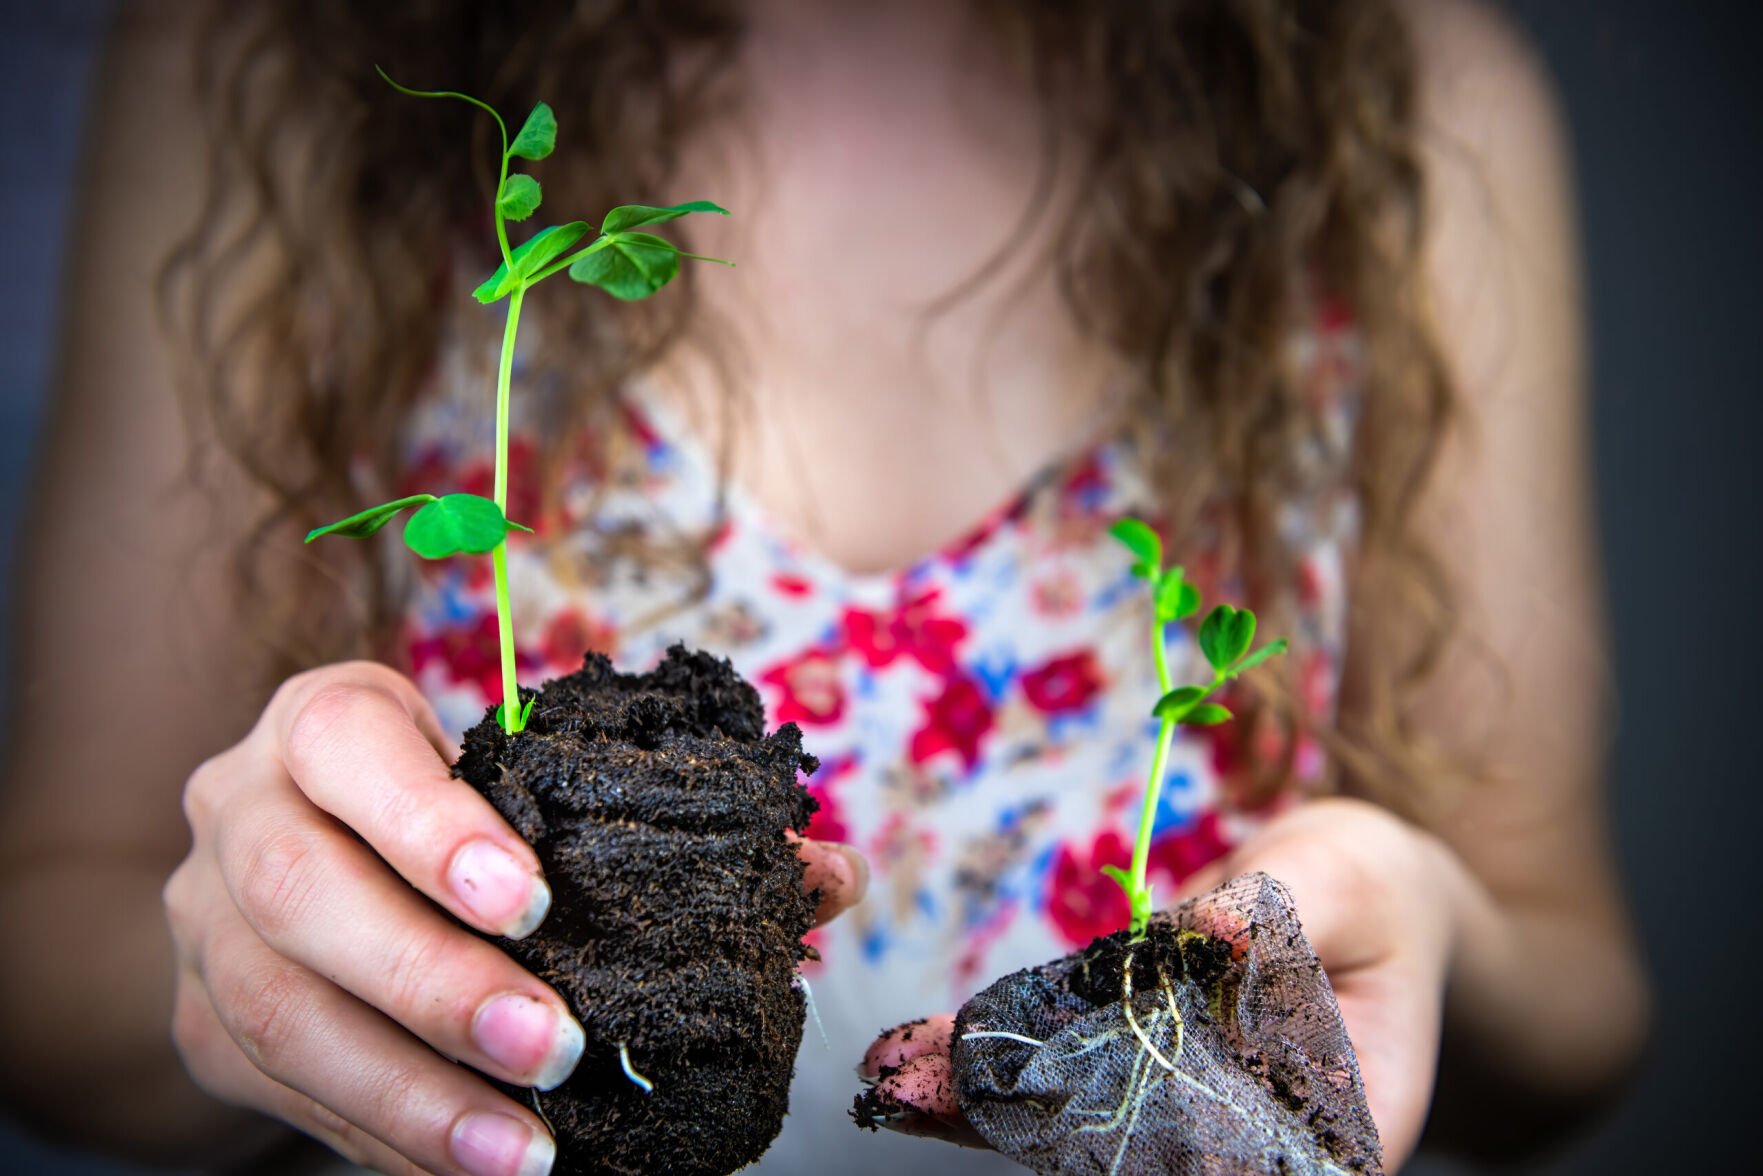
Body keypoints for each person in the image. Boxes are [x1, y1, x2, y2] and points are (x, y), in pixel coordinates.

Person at [0, 0, 1648, 1174]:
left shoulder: (1403, 95)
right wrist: (246, 968)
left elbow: (1569, 1024)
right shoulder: (280, 54)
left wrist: (1407, 907)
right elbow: (49, 979)